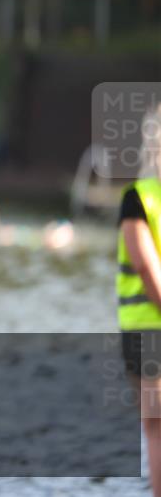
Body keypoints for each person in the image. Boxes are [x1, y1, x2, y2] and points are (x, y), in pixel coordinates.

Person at [118, 105, 161, 497]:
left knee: (156, 425)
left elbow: (148, 271)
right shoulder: (142, 198)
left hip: (146, 331)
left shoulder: (138, 198)